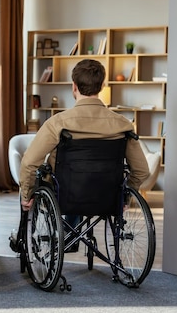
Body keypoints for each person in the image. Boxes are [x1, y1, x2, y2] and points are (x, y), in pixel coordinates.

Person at [19, 59, 149, 217]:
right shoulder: (123, 125)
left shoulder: (57, 123)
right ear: (101, 86)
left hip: (66, 196)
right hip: (107, 196)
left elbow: (29, 163)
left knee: (49, 178)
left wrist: (27, 195)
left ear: (74, 86)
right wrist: (124, 197)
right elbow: (142, 170)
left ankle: (67, 235)